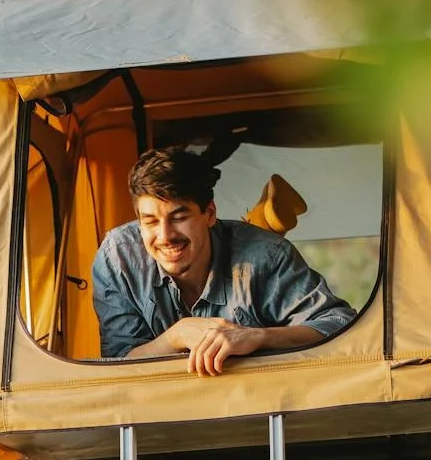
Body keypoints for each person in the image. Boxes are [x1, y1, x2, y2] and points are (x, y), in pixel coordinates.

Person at [92, 146, 357, 373]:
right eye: (149, 221)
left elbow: (339, 324)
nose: (165, 236)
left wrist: (258, 336)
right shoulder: (117, 258)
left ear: (209, 214)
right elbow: (116, 363)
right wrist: (176, 336)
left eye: (179, 218)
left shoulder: (268, 254)